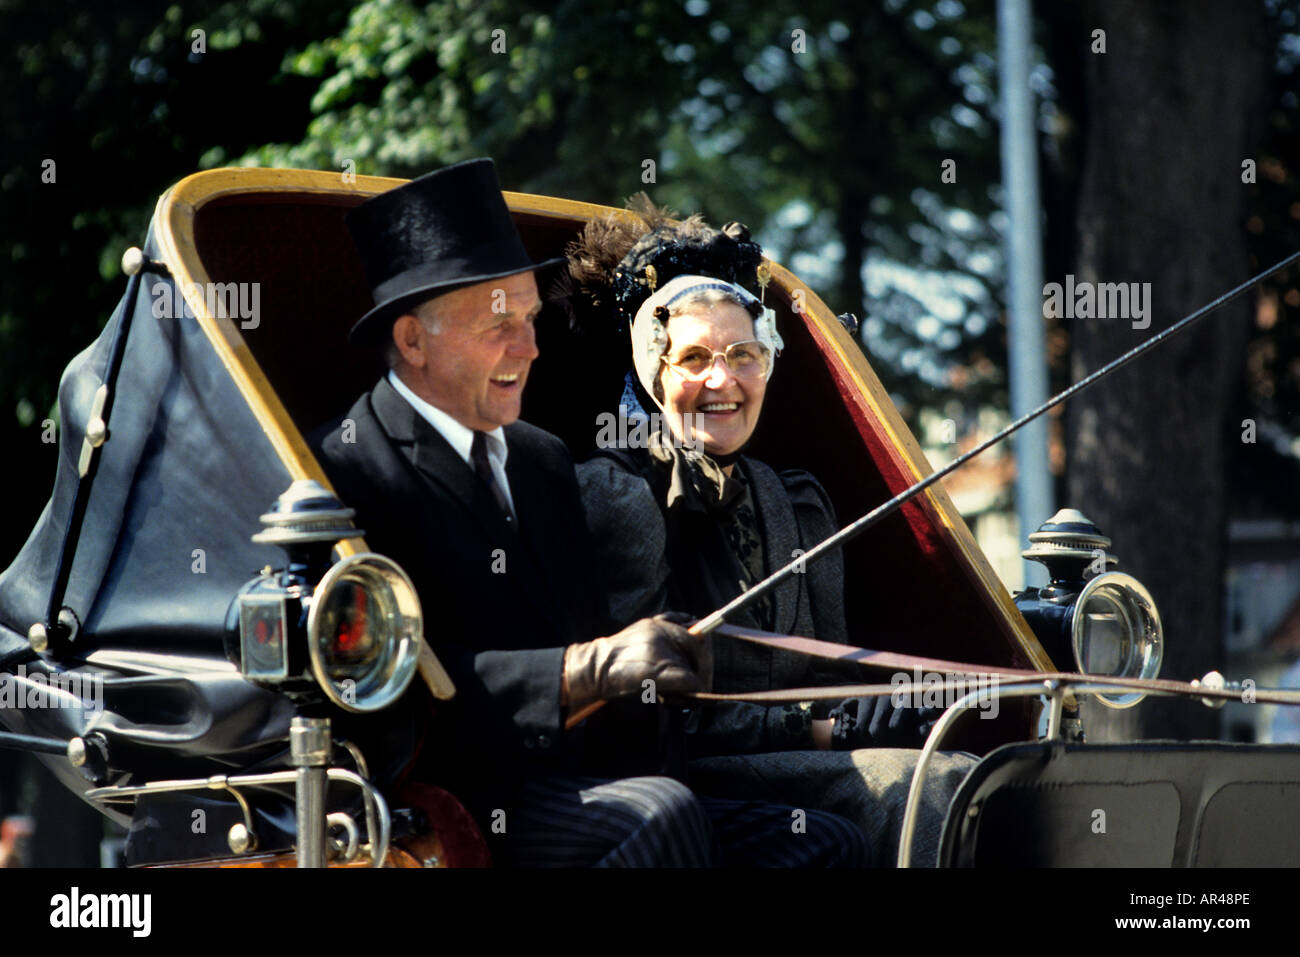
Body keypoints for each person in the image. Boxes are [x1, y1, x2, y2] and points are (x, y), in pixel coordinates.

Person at [311, 159, 867, 867]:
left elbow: (600, 652)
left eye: (531, 318)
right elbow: (372, 694)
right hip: (447, 797)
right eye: (498, 323)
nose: (529, 347)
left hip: (584, 779)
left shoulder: (541, 461)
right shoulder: (343, 468)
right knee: (659, 815)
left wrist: (657, 665)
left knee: (827, 843)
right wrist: (586, 669)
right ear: (414, 341)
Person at [568, 209, 976, 865]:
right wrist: (820, 729)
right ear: (653, 370)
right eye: (694, 357)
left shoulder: (795, 501)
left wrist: (873, 708)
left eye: (743, 355)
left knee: (976, 774)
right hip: (678, 783)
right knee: (932, 788)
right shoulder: (620, 497)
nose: (722, 380)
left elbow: (828, 676)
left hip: (792, 765)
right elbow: (644, 716)